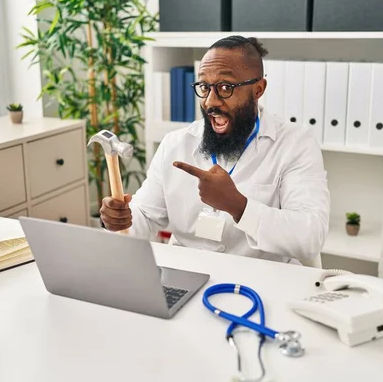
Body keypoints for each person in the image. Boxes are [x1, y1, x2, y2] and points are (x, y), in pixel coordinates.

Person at [99, 35, 330, 265]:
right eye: (204, 87)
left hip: (260, 281)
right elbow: (146, 217)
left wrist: (239, 206)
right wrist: (122, 219)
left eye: (225, 87)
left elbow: (310, 237)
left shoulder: (295, 143)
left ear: (258, 89)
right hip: (187, 274)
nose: (210, 101)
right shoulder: (175, 144)